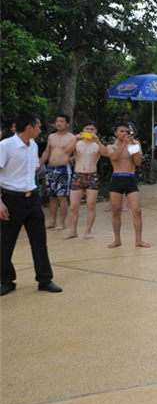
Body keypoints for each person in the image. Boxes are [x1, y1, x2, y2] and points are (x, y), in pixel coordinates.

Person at [0, 110, 63, 295]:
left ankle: (45, 280)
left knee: (39, 241)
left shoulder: (33, 145)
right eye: (38, 126)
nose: (40, 129)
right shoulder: (5, 146)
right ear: (29, 127)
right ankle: (6, 280)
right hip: (10, 199)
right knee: (6, 242)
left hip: (32, 198)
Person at [104, 123, 149, 248]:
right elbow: (113, 157)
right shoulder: (111, 146)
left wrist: (134, 148)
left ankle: (138, 239)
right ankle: (117, 239)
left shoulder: (135, 144)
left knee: (137, 210)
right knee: (116, 211)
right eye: (122, 131)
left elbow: (138, 162)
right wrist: (124, 144)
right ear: (116, 133)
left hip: (130, 178)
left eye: (127, 131)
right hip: (117, 178)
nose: (125, 133)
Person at [62, 121, 108, 240]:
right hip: (78, 175)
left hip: (91, 175)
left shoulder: (97, 144)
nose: (89, 131)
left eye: (92, 129)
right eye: (87, 129)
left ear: (96, 131)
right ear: (83, 130)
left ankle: (88, 231)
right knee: (73, 206)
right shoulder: (78, 143)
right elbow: (66, 151)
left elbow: (106, 153)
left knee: (91, 205)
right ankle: (73, 231)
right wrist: (76, 140)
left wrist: (98, 141)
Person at [39, 114, 76, 230]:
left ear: (67, 124)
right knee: (52, 197)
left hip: (63, 168)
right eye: (57, 121)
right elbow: (46, 152)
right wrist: (39, 165)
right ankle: (52, 221)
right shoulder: (51, 136)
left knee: (62, 196)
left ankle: (62, 222)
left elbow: (78, 152)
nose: (59, 123)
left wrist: (72, 159)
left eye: (62, 121)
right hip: (51, 167)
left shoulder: (72, 137)